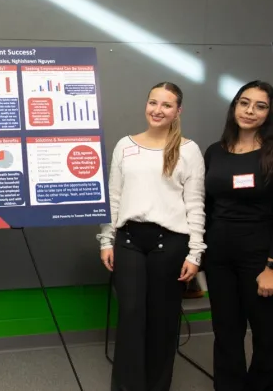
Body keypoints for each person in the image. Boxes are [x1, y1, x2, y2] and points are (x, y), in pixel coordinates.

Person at [97, 82, 206, 391]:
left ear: (177, 111)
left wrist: (195, 253)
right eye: (153, 103)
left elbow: (195, 204)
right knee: (131, 316)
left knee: (163, 318)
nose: (158, 110)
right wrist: (107, 239)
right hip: (129, 240)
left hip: (170, 244)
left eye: (166, 105)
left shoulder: (188, 150)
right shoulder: (125, 145)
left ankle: (157, 385)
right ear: (145, 105)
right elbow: (113, 197)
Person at [204, 80, 273, 391]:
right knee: (226, 331)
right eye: (244, 103)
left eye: (260, 106)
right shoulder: (215, 151)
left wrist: (272, 267)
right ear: (234, 106)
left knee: (266, 333)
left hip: (260, 257)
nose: (250, 111)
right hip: (218, 256)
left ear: (269, 113)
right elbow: (205, 205)